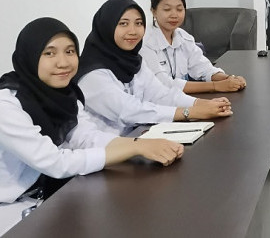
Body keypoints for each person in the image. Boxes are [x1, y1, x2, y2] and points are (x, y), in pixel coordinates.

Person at [0, 18, 183, 233]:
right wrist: (134, 148)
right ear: (30, 56)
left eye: (70, 51)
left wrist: (140, 145)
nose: (63, 62)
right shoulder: (7, 106)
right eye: (49, 53)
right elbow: (54, 162)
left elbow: (86, 136)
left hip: (51, 195)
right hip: (11, 210)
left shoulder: (63, 95)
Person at [76, 0, 232, 136]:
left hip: (138, 136)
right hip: (106, 149)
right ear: (106, 27)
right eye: (123, 24)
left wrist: (201, 104)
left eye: (138, 23)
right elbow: (129, 111)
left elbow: (160, 94)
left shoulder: (133, 61)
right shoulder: (92, 74)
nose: (133, 31)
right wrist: (189, 112)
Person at [140, 0, 247, 93]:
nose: (174, 15)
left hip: (180, 98)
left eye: (179, 9)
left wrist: (230, 78)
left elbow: (203, 68)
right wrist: (215, 86)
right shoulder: (144, 41)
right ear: (154, 11)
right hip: (154, 100)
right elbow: (163, 84)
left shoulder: (183, 37)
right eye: (167, 9)